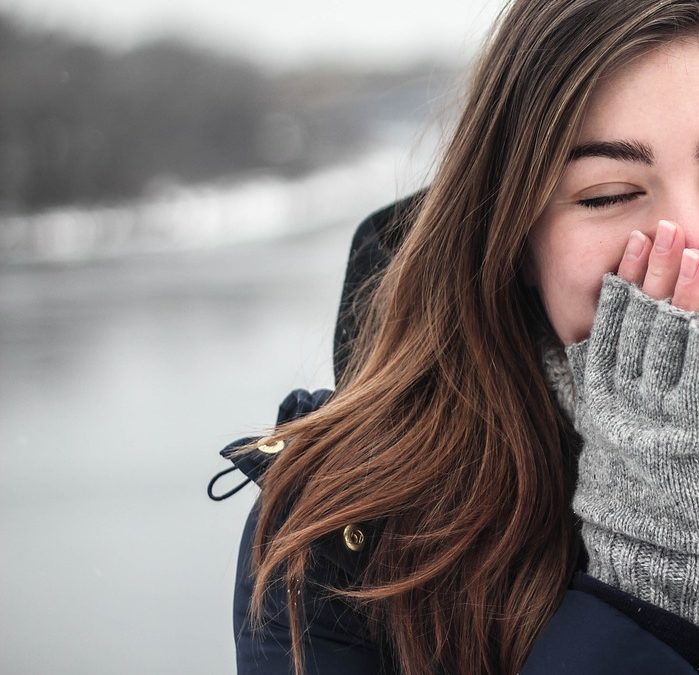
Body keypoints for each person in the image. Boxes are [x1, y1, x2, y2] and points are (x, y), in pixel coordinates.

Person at [208, 0, 699, 672]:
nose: (686, 240)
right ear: (517, 240)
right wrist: (647, 570)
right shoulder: (343, 535)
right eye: (607, 193)